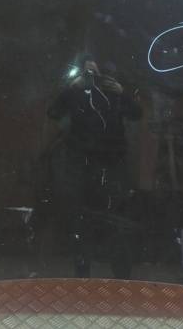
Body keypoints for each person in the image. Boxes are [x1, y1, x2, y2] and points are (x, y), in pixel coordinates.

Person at [47, 56, 142, 278]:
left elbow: (137, 114)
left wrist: (121, 92)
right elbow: (53, 113)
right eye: (87, 74)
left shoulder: (113, 93)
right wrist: (72, 88)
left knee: (117, 219)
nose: (93, 79)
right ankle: (83, 275)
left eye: (96, 74)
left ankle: (122, 277)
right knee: (83, 219)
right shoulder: (75, 94)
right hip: (83, 166)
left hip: (112, 165)